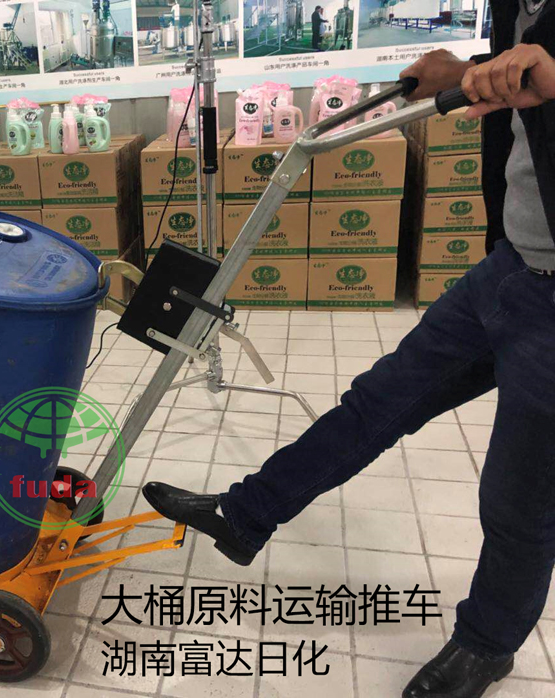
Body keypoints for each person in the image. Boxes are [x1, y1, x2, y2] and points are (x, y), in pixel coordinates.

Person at [143, 1, 555, 696]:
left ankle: (487, 644)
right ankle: (244, 516)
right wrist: (467, 68)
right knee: (375, 402)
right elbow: (522, 84)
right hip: (509, 267)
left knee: (520, 496)